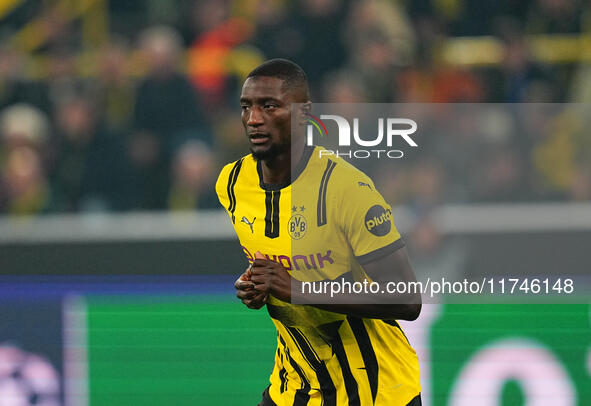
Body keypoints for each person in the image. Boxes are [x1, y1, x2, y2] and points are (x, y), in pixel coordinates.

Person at [216, 59, 422, 405]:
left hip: (375, 391)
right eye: (246, 107)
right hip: (294, 386)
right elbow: (279, 262)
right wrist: (255, 284)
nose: (253, 119)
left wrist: (297, 290)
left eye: (269, 106)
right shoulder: (233, 183)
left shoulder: (346, 190)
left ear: (303, 113)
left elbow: (406, 299)